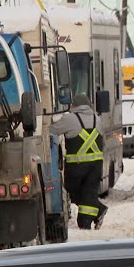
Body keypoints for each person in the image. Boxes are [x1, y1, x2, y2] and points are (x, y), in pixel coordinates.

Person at [50, 93, 108, 230]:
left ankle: (86, 222)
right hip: (96, 166)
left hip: (76, 167)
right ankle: (95, 213)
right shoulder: (97, 119)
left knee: (73, 190)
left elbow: (51, 131)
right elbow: (103, 142)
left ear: (74, 105)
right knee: (89, 193)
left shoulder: (70, 118)